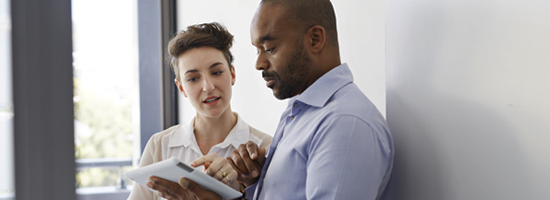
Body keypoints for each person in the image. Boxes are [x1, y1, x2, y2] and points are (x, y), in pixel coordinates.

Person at [154, 0, 394, 199]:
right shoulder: (301, 114)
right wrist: (254, 185)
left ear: (315, 40)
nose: (259, 63)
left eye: (269, 48)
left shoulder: (345, 124)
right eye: (257, 50)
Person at [127, 22, 273, 200]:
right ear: (181, 88)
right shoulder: (160, 146)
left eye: (217, 72)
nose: (208, 86)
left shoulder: (265, 148)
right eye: (193, 78)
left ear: (232, 74)